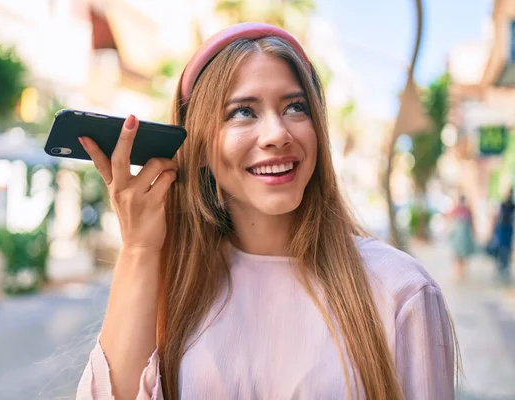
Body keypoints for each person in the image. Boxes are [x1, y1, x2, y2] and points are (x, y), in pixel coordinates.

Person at [76, 23, 457, 400]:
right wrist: (139, 248)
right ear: (202, 147)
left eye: (295, 107)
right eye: (243, 112)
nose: (277, 134)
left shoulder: (402, 292)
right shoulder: (169, 293)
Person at [448, 195, 476, 281]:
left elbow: (471, 223)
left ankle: (461, 272)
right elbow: (450, 221)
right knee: (458, 255)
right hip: (458, 237)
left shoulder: (466, 210)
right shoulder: (457, 210)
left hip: (463, 237)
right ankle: (458, 272)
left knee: (462, 254)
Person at [490, 188, 514, 283]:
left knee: (505, 248)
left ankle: (504, 265)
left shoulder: (511, 205)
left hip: (506, 229)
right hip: (503, 229)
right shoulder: (505, 205)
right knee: (502, 248)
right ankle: (502, 265)